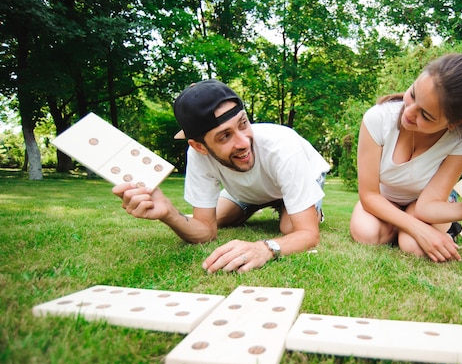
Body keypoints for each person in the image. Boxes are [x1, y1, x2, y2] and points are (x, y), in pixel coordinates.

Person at [113, 79, 330, 273]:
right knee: (217, 220)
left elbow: (308, 235)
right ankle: (286, 205)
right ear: (199, 146)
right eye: (225, 136)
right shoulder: (198, 156)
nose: (244, 142)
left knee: (289, 228)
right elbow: (205, 230)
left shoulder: (283, 146)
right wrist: (169, 213)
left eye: (243, 123)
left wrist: (263, 249)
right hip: (246, 192)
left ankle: (308, 207)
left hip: (300, 176)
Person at [349, 53, 462, 263]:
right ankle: (402, 226)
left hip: (424, 203)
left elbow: (427, 206)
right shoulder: (378, 118)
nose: (409, 111)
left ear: (455, 122)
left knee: (412, 246)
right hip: (383, 198)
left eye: (426, 115)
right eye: (413, 94)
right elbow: (369, 195)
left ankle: (430, 229)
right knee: (367, 234)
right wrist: (416, 228)